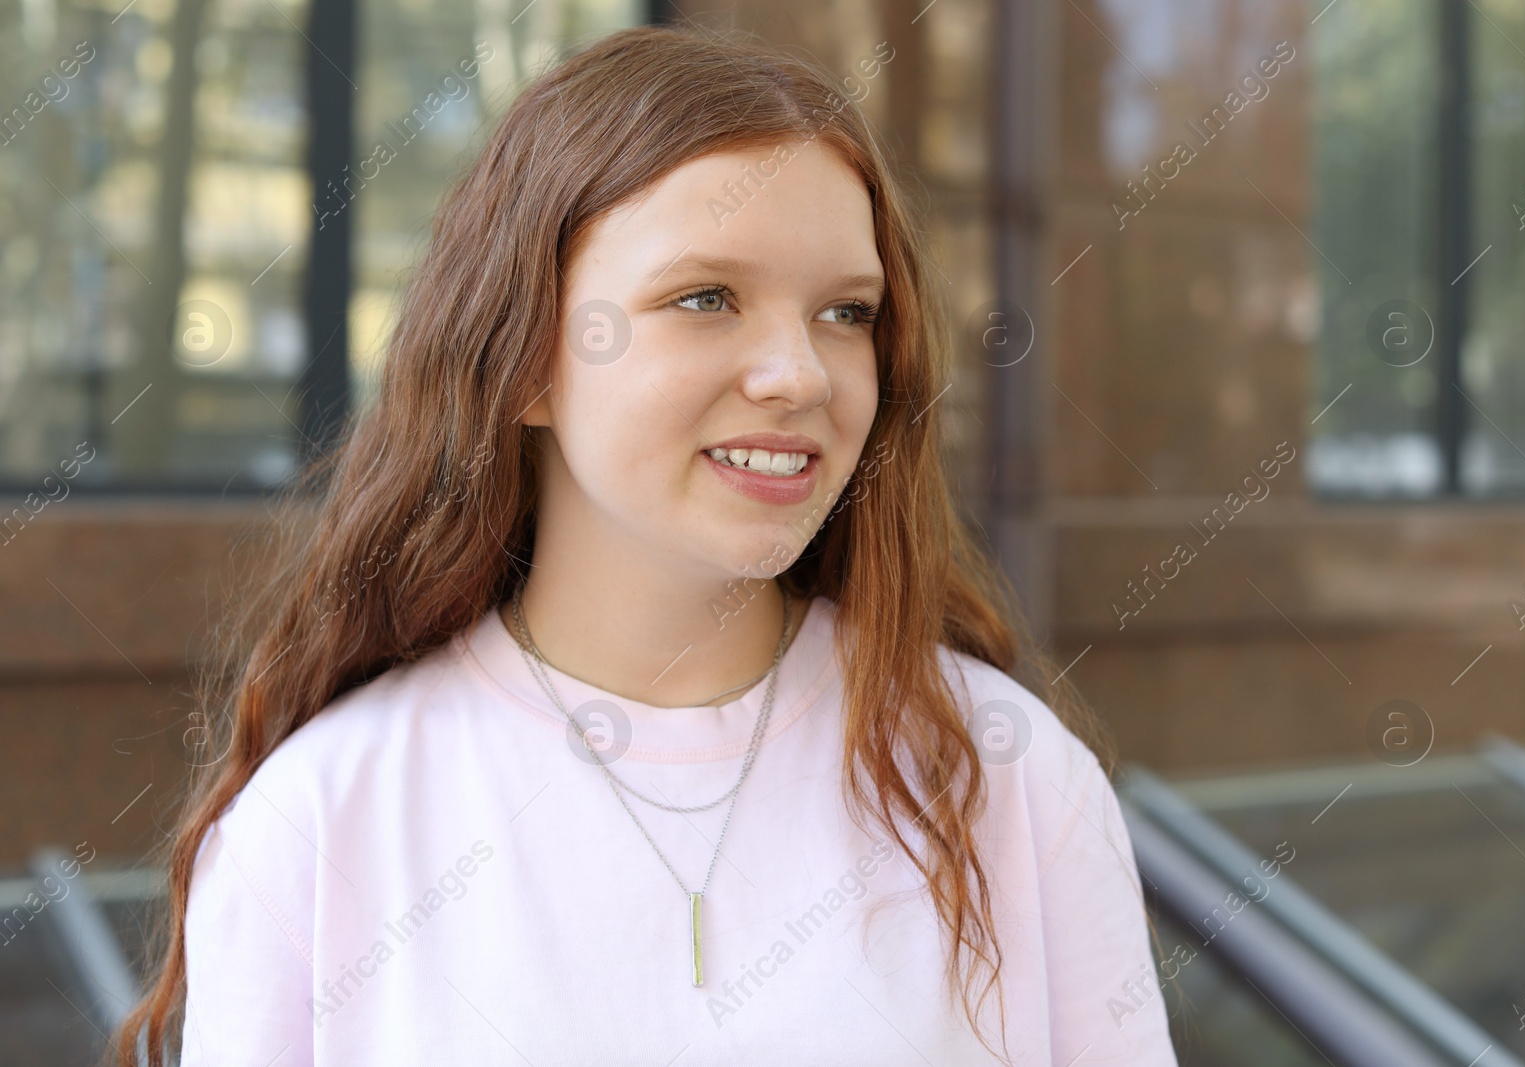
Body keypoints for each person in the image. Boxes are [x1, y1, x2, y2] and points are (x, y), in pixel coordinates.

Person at [114, 24, 1178, 1067]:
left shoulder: (1008, 777)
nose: (799, 374)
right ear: (524, 359)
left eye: (846, 312)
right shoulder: (321, 818)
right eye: (706, 297)